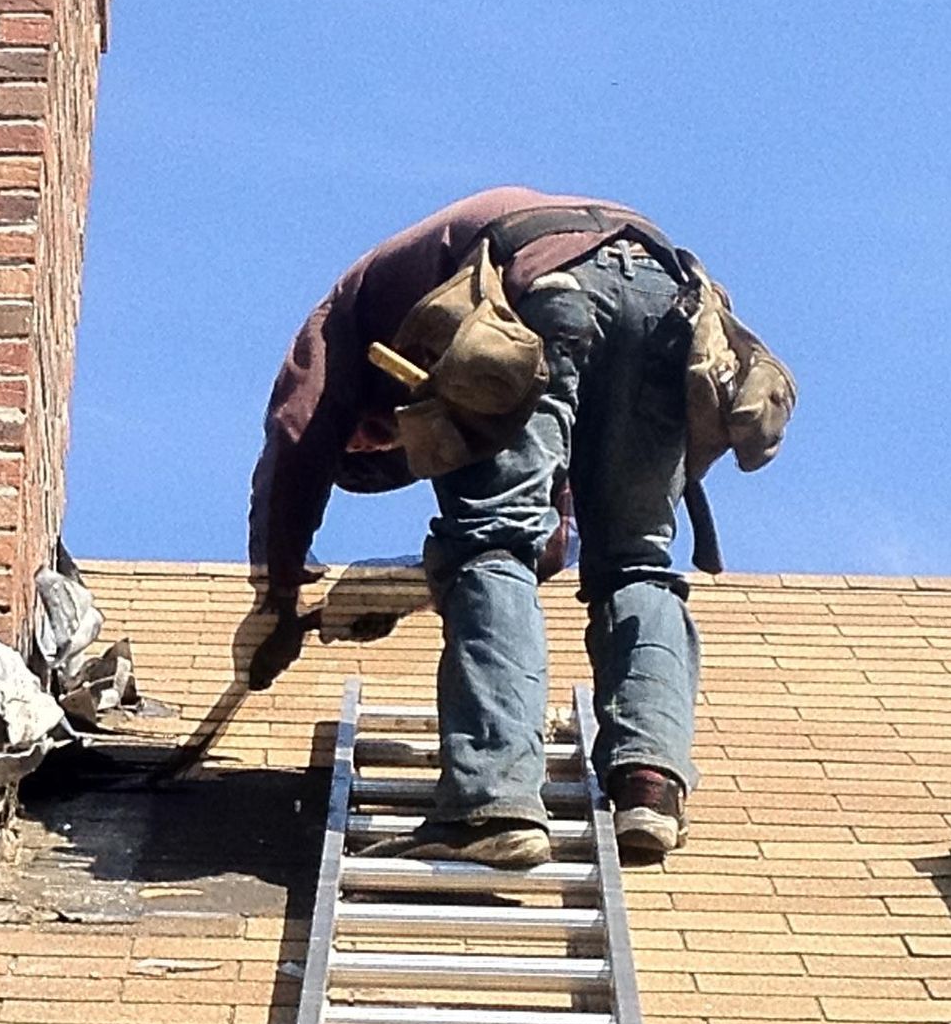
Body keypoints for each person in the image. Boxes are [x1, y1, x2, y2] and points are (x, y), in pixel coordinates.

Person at [247, 187, 783, 867]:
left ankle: (490, 804)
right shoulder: (438, 315)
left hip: (537, 286)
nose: (383, 443)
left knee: (486, 540)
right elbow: (552, 537)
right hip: (664, 290)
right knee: (634, 560)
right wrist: (410, 588)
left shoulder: (345, 314)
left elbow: (296, 441)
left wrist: (274, 596)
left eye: (375, 441)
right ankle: (648, 782)